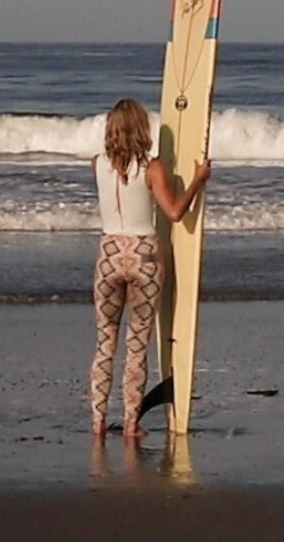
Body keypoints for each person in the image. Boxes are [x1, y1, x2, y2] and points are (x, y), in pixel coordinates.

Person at [89, 98, 211, 440]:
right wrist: (197, 180)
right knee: (137, 344)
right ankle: (130, 425)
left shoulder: (96, 164)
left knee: (104, 344)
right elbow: (173, 213)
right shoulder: (153, 168)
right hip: (144, 256)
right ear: (142, 128)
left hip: (109, 255)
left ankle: (98, 422)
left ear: (111, 128)